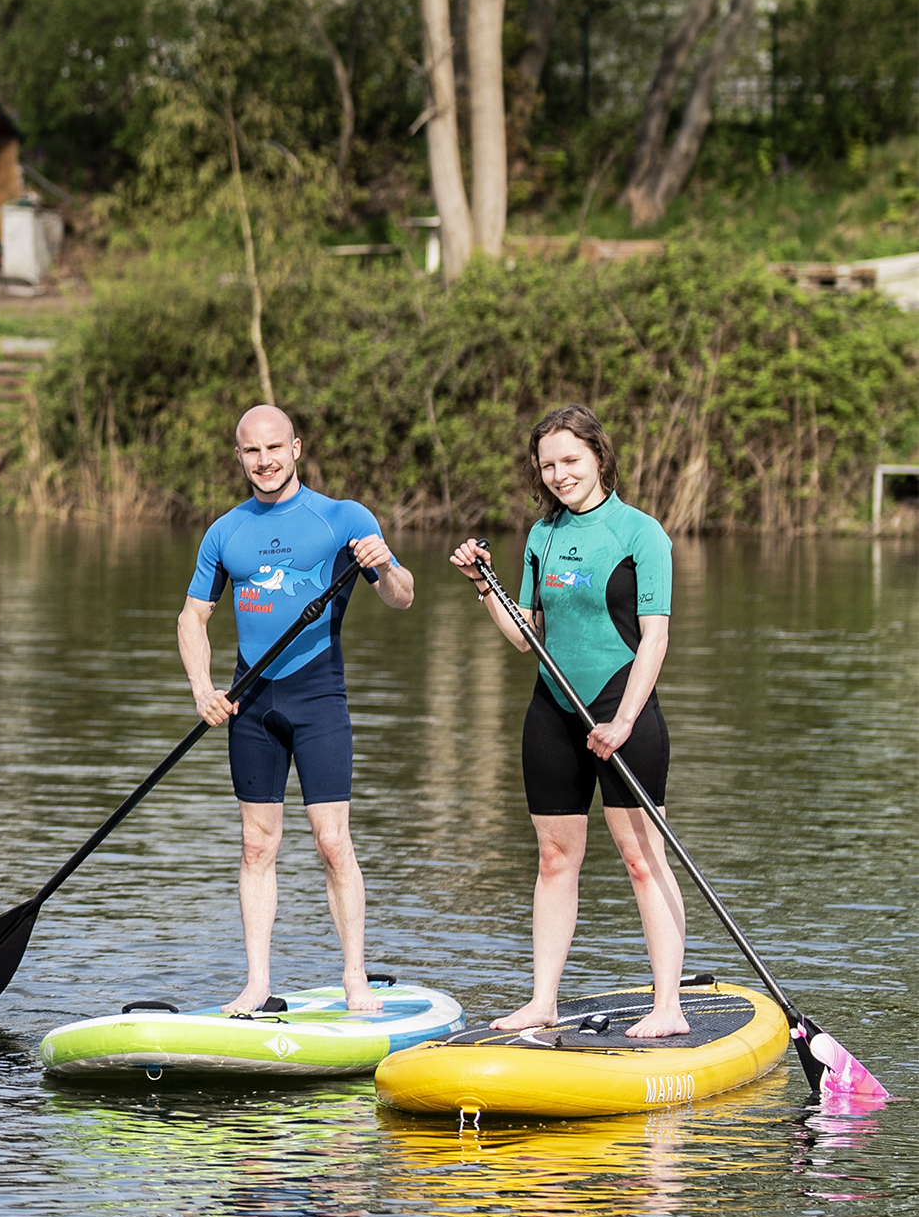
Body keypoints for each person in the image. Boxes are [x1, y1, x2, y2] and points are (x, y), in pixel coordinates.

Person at [447, 405, 686, 1037]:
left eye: (571, 461)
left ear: (599, 458)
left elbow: (656, 639)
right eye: (548, 465)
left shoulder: (642, 533)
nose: (559, 474)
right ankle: (543, 1000)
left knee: (642, 859)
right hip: (552, 711)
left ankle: (668, 1007)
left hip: (621, 708)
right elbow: (527, 637)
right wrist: (483, 586)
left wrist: (625, 720)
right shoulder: (540, 536)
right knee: (555, 859)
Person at [175, 404, 415, 1015]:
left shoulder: (341, 518)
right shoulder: (225, 532)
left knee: (332, 843)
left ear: (297, 447)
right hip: (250, 701)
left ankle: (355, 978)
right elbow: (193, 616)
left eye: (275, 448)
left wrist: (383, 565)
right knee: (257, 845)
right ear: (239, 457)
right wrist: (202, 687)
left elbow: (402, 598)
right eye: (252, 451)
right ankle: (258, 982)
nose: (265, 461)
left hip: (317, 698)